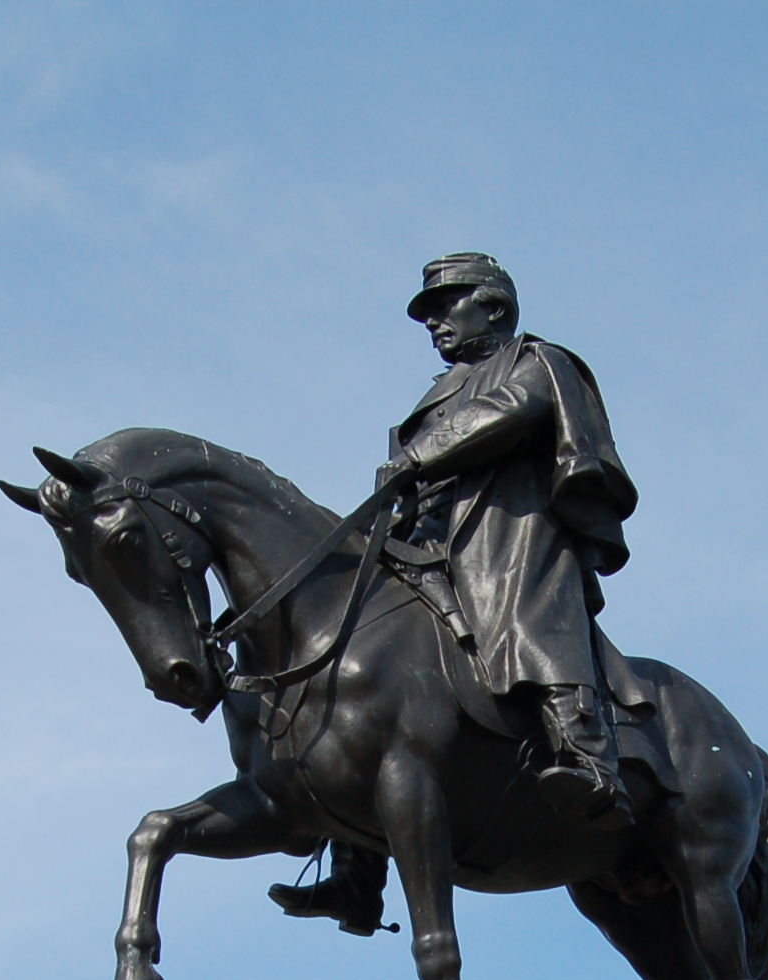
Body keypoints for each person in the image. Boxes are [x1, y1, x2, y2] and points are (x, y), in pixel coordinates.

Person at [271, 254, 641, 933]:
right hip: (429, 544)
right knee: (366, 671)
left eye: (447, 306)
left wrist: (417, 456)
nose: (434, 322)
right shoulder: (440, 392)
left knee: (523, 612)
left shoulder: (539, 361)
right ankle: (358, 876)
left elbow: (513, 411)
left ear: (495, 308)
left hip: (508, 536)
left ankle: (588, 756)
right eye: (427, 313)